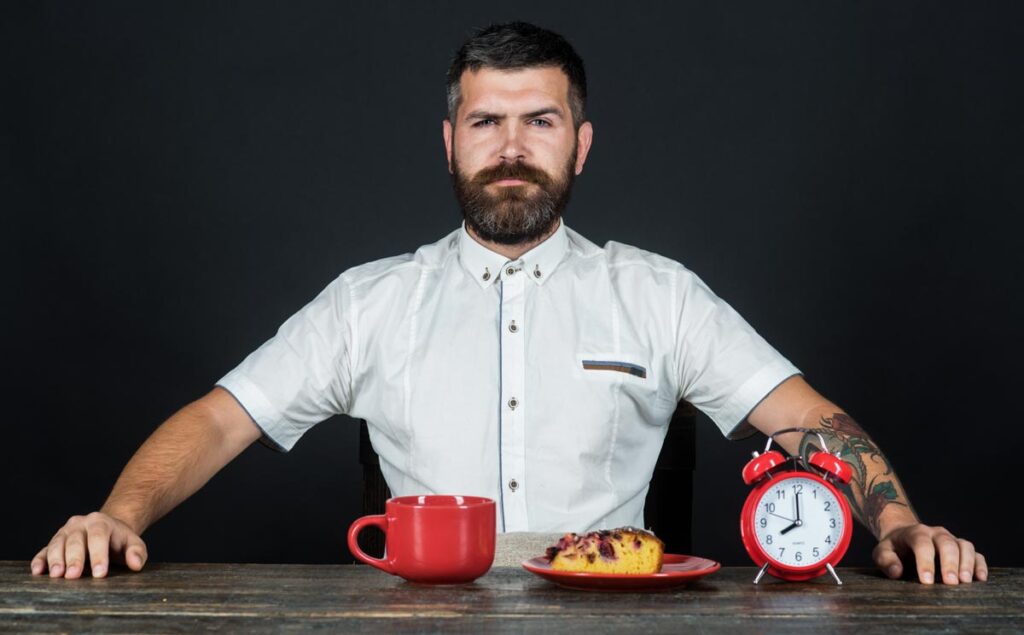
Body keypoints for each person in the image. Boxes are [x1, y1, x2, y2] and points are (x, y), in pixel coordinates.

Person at [32, 21, 985, 585]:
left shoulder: (659, 295)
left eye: (541, 121)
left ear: (581, 144)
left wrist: (897, 522)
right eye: (487, 122)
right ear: (449, 143)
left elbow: (813, 423)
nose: (512, 146)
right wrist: (121, 513)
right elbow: (215, 421)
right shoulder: (371, 302)